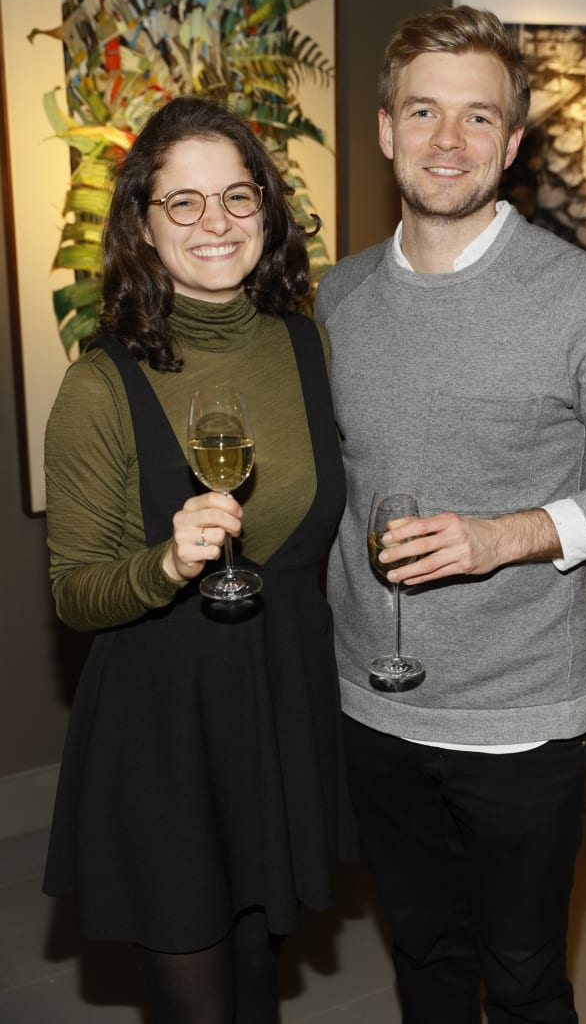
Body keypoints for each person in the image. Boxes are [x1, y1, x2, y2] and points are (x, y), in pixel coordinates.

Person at [315, 5, 586, 1024]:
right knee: (424, 957)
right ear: (386, 128)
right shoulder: (337, 298)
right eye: (423, 112)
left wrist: (506, 537)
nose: (447, 140)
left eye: (478, 117)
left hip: (520, 722)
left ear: (513, 140)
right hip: (369, 705)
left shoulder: (584, 301)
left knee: (525, 978)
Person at [43, 96, 349, 1023]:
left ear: (266, 208)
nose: (215, 222)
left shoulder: (307, 342)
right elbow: (74, 593)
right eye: (184, 202)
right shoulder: (99, 387)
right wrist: (164, 567)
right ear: (143, 223)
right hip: (166, 728)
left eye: (236, 195)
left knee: (260, 974)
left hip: (282, 702)